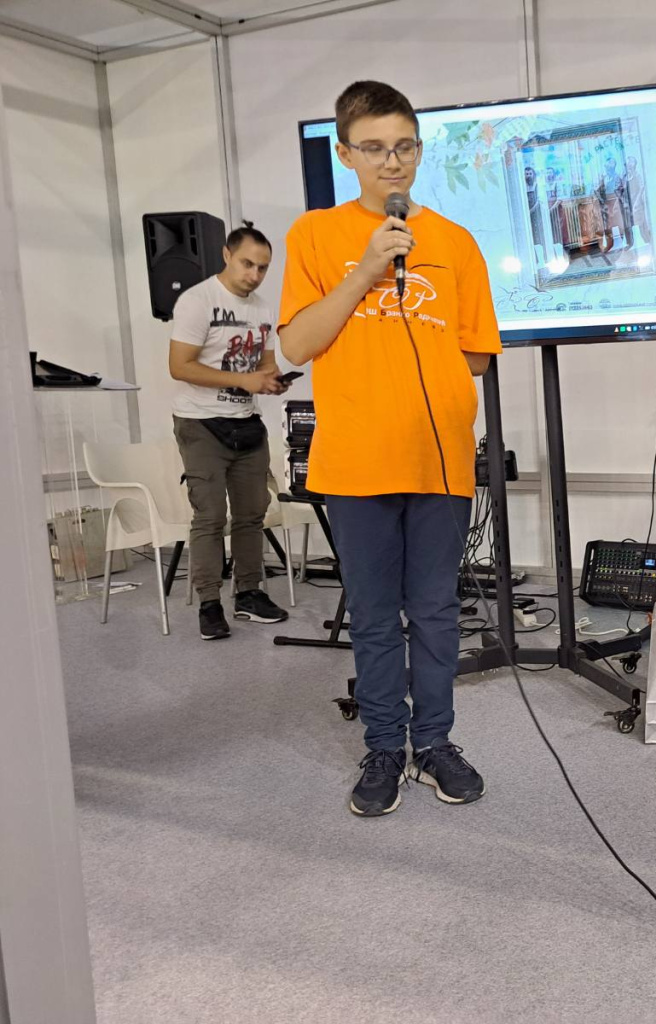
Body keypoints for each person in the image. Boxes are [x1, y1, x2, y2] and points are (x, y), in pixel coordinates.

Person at [278, 81, 503, 817]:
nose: (391, 161)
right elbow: (297, 345)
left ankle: (433, 743)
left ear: (419, 150)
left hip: (438, 459)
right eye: (373, 148)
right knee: (374, 616)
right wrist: (368, 272)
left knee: (435, 612)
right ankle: (383, 746)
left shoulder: (456, 242)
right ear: (346, 155)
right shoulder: (315, 235)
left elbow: (476, 355)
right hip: (354, 459)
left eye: (403, 146)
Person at [168, 221, 290, 641]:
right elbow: (179, 366)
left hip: (246, 422)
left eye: (263, 268)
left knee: (252, 512)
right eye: (247, 264)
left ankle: (249, 594)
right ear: (227, 255)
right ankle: (209, 603)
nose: (254, 275)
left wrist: (272, 380)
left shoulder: (264, 308)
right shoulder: (197, 301)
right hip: (200, 422)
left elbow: (265, 364)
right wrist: (243, 380)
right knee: (210, 515)